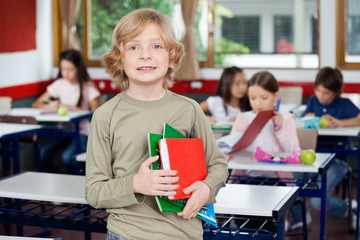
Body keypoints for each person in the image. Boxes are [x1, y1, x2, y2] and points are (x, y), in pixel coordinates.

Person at [85, 8, 228, 240]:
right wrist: (137, 183)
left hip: (185, 233)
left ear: (171, 56)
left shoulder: (190, 110)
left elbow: (218, 165)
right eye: (133, 47)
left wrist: (207, 187)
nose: (145, 55)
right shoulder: (105, 115)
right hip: (128, 233)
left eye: (157, 46)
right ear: (119, 59)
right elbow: (94, 192)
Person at [229, 71, 309, 230]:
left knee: (266, 222)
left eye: (264, 98)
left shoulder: (286, 118)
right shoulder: (243, 118)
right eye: (252, 98)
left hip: (276, 182)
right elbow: (230, 152)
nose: (258, 103)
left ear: (276, 96)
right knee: (243, 222)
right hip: (245, 181)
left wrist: (279, 129)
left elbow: (294, 152)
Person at [302, 66, 360, 227]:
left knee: (316, 202)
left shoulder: (344, 104)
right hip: (312, 159)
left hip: (336, 160)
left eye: (326, 92)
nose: (321, 95)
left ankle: (348, 207)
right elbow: (301, 122)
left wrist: (341, 122)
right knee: (286, 183)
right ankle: (299, 218)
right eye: (318, 90)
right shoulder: (313, 101)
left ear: (335, 92)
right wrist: (307, 118)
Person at [32, 49, 100, 173]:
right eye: (63, 69)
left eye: (70, 69)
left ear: (78, 69)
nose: (65, 73)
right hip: (63, 131)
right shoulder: (59, 84)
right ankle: (59, 178)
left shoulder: (88, 86)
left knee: (67, 158)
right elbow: (36, 103)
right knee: (42, 153)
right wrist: (50, 106)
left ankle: (74, 180)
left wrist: (72, 108)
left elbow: (97, 113)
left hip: (83, 132)